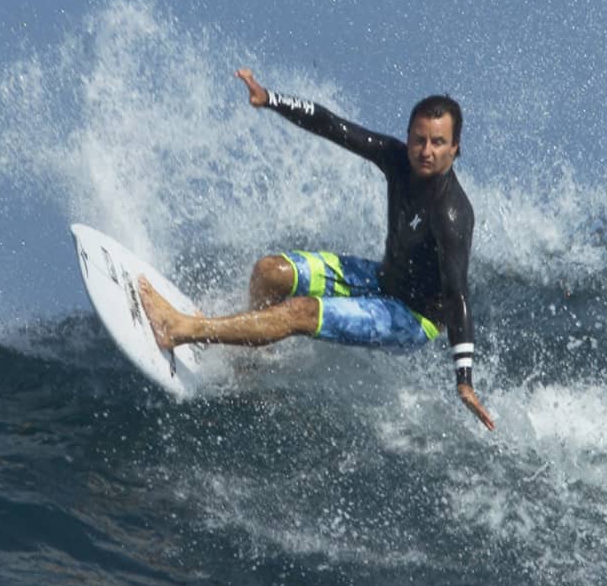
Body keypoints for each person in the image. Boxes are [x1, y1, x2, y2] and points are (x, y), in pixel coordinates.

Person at [137, 68, 494, 430]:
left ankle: (183, 329)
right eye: (419, 140)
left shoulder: (452, 214)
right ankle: (251, 360)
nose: (426, 151)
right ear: (408, 136)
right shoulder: (396, 159)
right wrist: (269, 99)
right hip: (382, 279)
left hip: (411, 318)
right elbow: (330, 124)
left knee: (300, 312)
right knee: (269, 272)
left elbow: (457, 295)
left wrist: (464, 379)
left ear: (455, 148)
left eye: (437, 143)